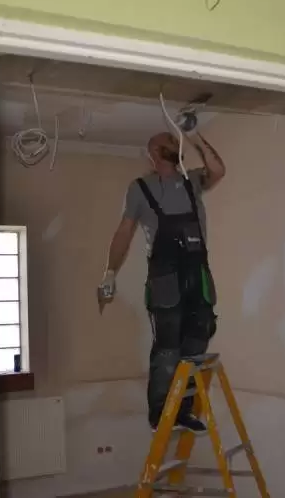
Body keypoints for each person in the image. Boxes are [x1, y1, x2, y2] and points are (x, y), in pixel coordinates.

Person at [98, 130, 226, 434]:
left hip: (198, 273)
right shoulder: (141, 189)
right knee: (168, 348)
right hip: (164, 277)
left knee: (197, 342)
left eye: (174, 139)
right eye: (166, 141)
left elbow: (218, 170)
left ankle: (183, 411)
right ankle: (160, 413)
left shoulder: (192, 181)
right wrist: (110, 271)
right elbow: (124, 232)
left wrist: (193, 134)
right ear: (153, 153)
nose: (173, 143)